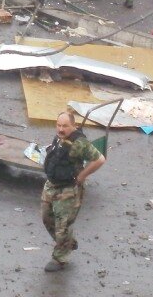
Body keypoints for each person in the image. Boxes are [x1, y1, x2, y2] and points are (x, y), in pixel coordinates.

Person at [40, 111, 106, 272]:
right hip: (52, 184)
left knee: (63, 225)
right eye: (59, 125)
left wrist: (82, 176)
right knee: (47, 218)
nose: (61, 129)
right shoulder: (59, 138)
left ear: (73, 126)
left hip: (68, 189)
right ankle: (68, 243)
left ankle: (60, 258)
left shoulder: (79, 143)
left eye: (65, 126)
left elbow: (99, 159)